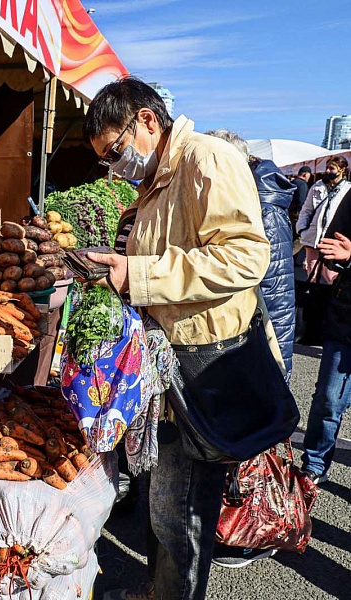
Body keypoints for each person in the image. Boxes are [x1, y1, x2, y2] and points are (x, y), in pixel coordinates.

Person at [82, 78, 275, 600]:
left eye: (115, 151)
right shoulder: (156, 180)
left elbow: (245, 257)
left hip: (204, 366)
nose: (114, 166)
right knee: (164, 505)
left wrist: (138, 272)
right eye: (106, 160)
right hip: (170, 366)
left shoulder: (206, 159)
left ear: (147, 120)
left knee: (180, 512)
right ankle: (158, 591)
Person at [203, 130, 296, 569]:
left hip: (261, 347)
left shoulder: (263, 213)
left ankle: (253, 533)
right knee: (240, 448)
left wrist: (272, 364)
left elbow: (271, 295)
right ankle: (235, 528)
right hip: (250, 344)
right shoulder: (251, 205)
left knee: (254, 451)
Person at [301, 185, 351, 484]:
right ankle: (315, 465)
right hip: (345, 317)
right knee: (329, 400)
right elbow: (333, 247)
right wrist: (339, 258)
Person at [297, 157, 350, 279]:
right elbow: (306, 209)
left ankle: (331, 298)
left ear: (342, 169)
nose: (327, 171)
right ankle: (312, 296)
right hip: (313, 237)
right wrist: (302, 229)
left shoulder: (347, 189)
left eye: (332, 168)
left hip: (333, 240)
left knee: (331, 275)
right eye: (327, 167)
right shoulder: (318, 186)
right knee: (312, 273)